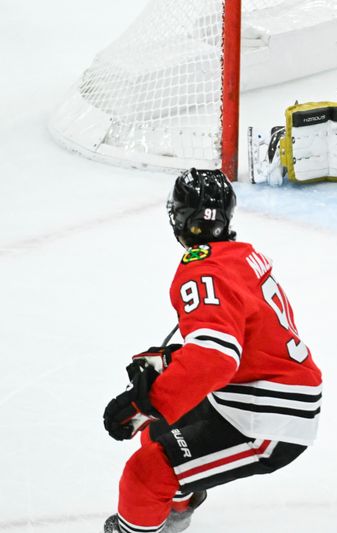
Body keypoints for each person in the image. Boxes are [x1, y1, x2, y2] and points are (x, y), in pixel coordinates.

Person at [102, 168, 322, 533]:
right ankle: (180, 504)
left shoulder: (201, 270)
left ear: (179, 216)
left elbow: (216, 358)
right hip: (262, 392)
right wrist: (176, 362)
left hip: (267, 419)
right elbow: (247, 336)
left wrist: (146, 401)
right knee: (158, 431)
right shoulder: (243, 255)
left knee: (145, 475)